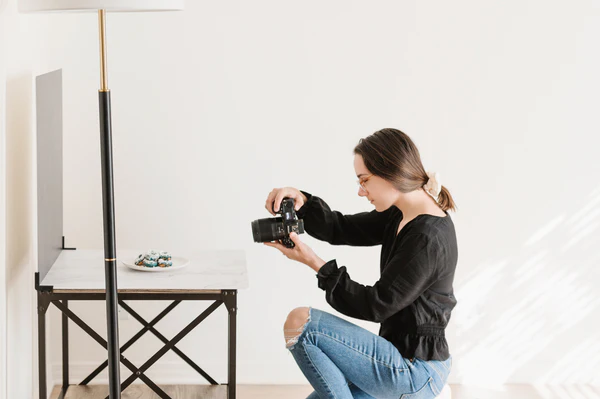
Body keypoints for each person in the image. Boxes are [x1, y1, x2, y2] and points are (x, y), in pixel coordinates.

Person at [263, 128, 458, 399]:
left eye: (364, 180)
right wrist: (303, 203)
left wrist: (314, 262)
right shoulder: (400, 214)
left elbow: (376, 304)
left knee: (301, 322)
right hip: (395, 361)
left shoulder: (427, 237)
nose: (360, 191)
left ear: (391, 172)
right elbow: (342, 228)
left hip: (414, 372)